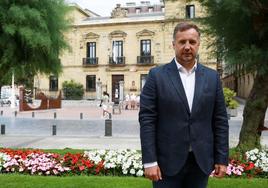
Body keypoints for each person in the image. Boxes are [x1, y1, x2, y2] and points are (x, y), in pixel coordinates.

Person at [139, 22, 229, 188]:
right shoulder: (156, 76)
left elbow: (220, 120)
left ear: (198, 44)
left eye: (192, 42)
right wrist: (149, 161)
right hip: (166, 163)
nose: (187, 47)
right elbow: (147, 120)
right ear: (174, 44)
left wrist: (221, 159)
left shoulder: (212, 77)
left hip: (200, 162)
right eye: (182, 42)